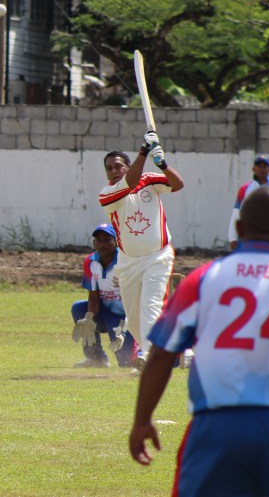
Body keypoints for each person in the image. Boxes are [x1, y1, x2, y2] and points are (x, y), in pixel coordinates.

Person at [129, 186, 269, 496]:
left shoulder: (203, 279)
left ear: (239, 228)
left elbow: (161, 354)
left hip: (217, 427)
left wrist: (142, 420)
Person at [98, 132, 185, 372]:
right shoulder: (108, 194)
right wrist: (144, 152)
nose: (114, 171)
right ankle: (180, 347)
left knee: (151, 305)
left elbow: (178, 184)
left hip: (158, 255)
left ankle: (148, 354)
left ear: (127, 166)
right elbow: (130, 181)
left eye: (118, 166)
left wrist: (163, 164)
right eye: (109, 168)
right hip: (128, 261)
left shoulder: (149, 180)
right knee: (134, 318)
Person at [71, 223, 135, 368]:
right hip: (105, 311)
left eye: (107, 240)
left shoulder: (125, 261)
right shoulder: (90, 262)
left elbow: (134, 297)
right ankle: (96, 358)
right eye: (99, 240)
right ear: (94, 243)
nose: (102, 244)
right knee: (79, 308)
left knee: (126, 363)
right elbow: (93, 296)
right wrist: (89, 318)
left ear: (116, 242)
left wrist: (126, 323)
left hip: (126, 316)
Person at [228, 155, 269, 250]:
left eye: (264, 166)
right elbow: (236, 212)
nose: (262, 169)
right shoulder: (245, 189)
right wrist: (232, 237)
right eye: (259, 166)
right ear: (253, 169)